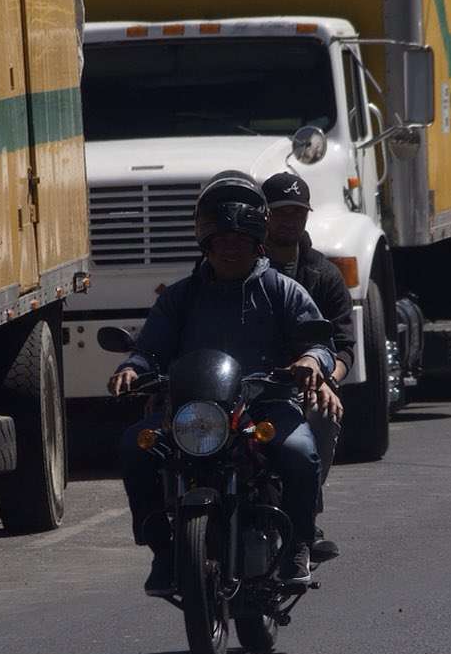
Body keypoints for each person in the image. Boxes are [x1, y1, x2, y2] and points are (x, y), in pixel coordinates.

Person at [110, 172, 341, 596]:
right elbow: (151, 347)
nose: (229, 250)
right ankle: (162, 551)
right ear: (206, 244)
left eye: (239, 241)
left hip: (265, 407)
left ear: (256, 242)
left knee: (300, 450)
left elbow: (320, 342)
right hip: (193, 413)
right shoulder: (179, 297)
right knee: (135, 445)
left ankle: (297, 547)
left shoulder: (282, 291)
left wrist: (310, 359)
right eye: (221, 241)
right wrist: (133, 367)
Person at [261, 171, 356, 564]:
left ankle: (303, 520)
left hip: (305, 383)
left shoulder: (324, 274)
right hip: (247, 381)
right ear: (261, 215)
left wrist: (327, 382)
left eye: (297, 213)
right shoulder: (237, 268)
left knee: (324, 413)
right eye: (280, 212)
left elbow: (344, 348)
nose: (289, 221)